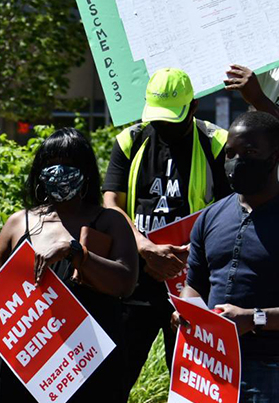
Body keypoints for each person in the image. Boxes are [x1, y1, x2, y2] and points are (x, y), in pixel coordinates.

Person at [0, 128, 138, 403]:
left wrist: (77, 253)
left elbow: (125, 283)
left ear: (85, 171)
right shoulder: (18, 224)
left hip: (80, 368)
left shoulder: (110, 222)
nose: (59, 170)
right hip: (14, 368)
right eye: (51, 162)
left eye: (69, 163)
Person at [102, 67, 231, 400]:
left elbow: (232, 209)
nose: (164, 127)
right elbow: (111, 203)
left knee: (194, 387)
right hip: (138, 280)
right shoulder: (130, 140)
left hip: (191, 285)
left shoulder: (216, 143)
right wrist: (144, 247)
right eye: (158, 119)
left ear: (193, 107)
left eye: (172, 119)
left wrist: (192, 255)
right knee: (114, 381)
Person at [174, 111, 279, 402]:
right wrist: (187, 309)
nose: (236, 161)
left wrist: (254, 319)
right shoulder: (210, 217)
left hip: (269, 371)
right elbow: (194, 284)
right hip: (209, 368)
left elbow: (252, 319)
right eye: (230, 153)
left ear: (274, 157)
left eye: (249, 152)